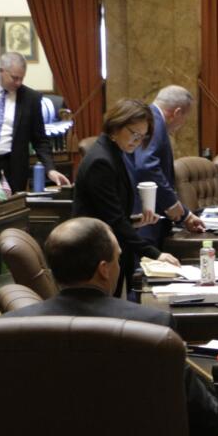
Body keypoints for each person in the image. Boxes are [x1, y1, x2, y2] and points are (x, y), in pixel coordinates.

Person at [6, 217, 218, 436]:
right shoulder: (152, 326)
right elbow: (206, 419)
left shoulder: (8, 330)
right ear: (103, 269)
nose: (119, 265)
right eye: (118, 258)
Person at [74, 98, 179, 294]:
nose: (137, 142)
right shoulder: (101, 161)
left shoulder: (114, 152)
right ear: (116, 125)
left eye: (142, 137)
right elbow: (112, 219)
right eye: (134, 134)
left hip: (104, 246)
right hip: (92, 254)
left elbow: (110, 212)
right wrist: (155, 254)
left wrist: (133, 221)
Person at [128, 85, 206, 247]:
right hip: (145, 217)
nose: (182, 124)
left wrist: (184, 214)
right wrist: (172, 204)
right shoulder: (155, 122)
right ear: (177, 113)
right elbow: (146, 165)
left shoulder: (150, 117)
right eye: (184, 118)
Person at [0, 52, 70, 192]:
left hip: (10, 167)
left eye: (21, 78)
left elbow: (40, 140)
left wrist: (50, 169)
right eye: (15, 78)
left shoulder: (31, 98)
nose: (19, 83)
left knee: (9, 212)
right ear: (1, 71)